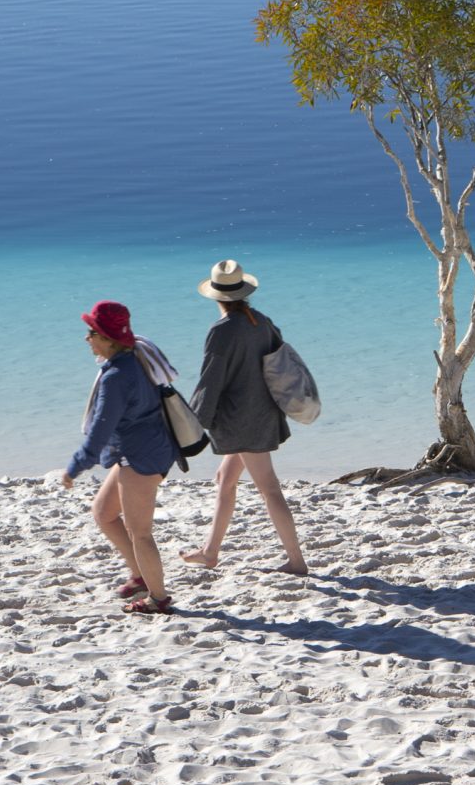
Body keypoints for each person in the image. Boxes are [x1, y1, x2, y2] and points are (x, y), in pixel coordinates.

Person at [180, 260, 309, 576]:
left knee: (269, 488)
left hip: (243, 419)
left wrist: (194, 422)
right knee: (225, 479)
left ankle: (297, 562)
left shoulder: (222, 331)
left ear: (216, 297)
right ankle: (210, 552)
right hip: (263, 411)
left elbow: (211, 378)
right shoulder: (261, 321)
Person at [61, 300, 176, 614]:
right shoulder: (136, 356)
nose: (87, 339)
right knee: (103, 512)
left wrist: (75, 467)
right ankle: (140, 575)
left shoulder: (116, 377)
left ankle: (159, 598)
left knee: (141, 532)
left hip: (142, 455)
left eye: (92, 332)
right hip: (144, 448)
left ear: (107, 338)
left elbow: (100, 430)